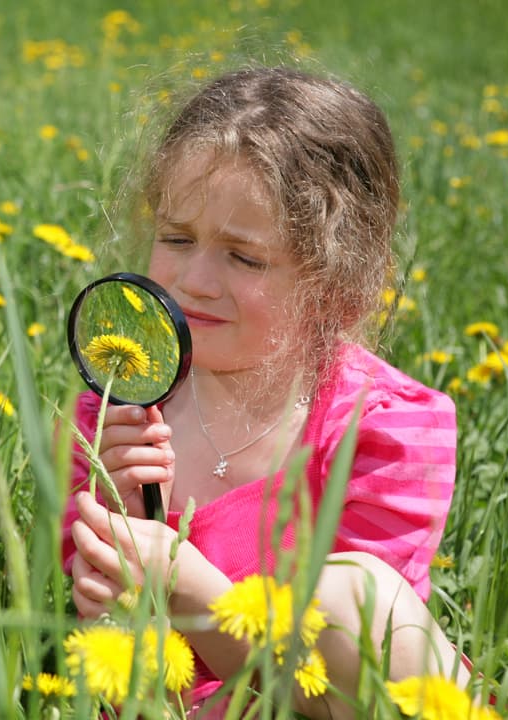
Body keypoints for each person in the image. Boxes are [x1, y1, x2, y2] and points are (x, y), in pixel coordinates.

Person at [61, 66, 463, 719]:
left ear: (335, 285)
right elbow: (99, 649)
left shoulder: (383, 431)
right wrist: (113, 526)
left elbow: (351, 668)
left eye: (243, 257)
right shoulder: (118, 410)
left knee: (353, 599)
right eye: (176, 238)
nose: (194, 280)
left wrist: (191, 590)